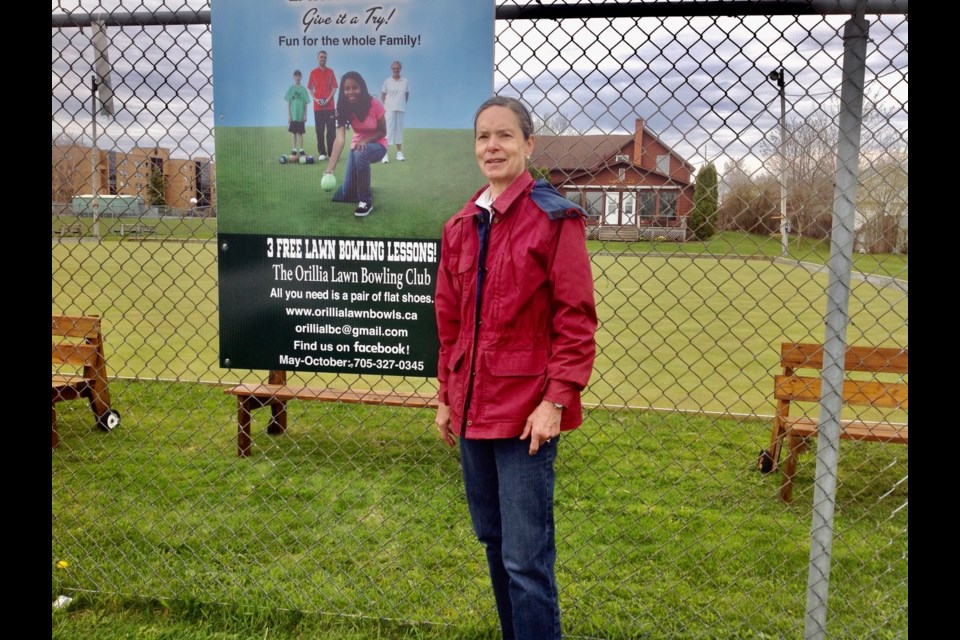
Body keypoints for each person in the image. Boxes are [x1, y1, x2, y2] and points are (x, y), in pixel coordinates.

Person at [433, 96, 598, 640]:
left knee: (527, 559)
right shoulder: (460, 223)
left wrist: (555, 401)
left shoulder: (555, 219)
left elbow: (575, 322)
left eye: (505, 136)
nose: (492, 146)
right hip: (472, 410)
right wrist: (446, 395)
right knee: (494, 542)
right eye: (483, 137)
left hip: (527, 415)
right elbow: (450, 321)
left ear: (528, 144)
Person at [323, 71, 387, 217]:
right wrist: (330, 167)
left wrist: (365, 140)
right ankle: (360, 187)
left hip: (378, 145)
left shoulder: (373, 103)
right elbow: (340, 139)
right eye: (347, 88)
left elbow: (383, 131)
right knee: (347, 194)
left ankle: (365, 201)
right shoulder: (342, 108)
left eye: (355, 87)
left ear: (361, 87)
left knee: (360, 151)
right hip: (357, 146)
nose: (351, 91)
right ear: (343, 91)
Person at [307, 50, 337, 160]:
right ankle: (322, 153)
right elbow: (310, 88)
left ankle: (331, 153)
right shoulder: (313, 73)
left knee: (331, 131)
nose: (323, 59)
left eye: (324, 57)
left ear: (326, 59)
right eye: (321, 57)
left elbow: (334, 88)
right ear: (318, 58)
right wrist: (316, 99)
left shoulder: (331, 72)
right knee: (319, 131)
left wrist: (328, 99)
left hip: (330, 107)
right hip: (318, 108)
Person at [380, 60, 409, 163]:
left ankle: (399, 154)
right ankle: (385, 155)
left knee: (399, 131)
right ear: (391, 69)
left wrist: (400, 103)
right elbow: (383, 95)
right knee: (389, 131)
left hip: (400, 109)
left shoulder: (405, 81)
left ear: (400, 69)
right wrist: (388, 106)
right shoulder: (387, 81)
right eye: (394, 68)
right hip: (389, 110)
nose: (395, 70)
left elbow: (406, 95)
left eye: (397, 68)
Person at [283, 70, 310, 159]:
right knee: (293, 132)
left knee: (300, 133)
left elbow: (306, 103)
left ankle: (301, 149)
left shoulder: (303, 89)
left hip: (301, 115)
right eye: (296, 76)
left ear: (301, 77)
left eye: (299, 76)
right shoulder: (291, 89)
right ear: (293, 77)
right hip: (293, 115)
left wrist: (305, 114)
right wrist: (289, 115)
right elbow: (289, 103)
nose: (297, 78)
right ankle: (294, 149)